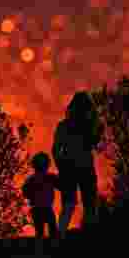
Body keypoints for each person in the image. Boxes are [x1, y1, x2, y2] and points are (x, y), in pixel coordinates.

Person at [52, 91, 103, 235]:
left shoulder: (65, 125)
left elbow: (56, 149)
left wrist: (61, 164)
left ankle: (59, 235)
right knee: (89, 203)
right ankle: (87, 232)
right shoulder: (87, 125)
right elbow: (92, 143)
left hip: (71, 167)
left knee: (71, 204)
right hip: (83, 167)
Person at [22, 151, 60, 246]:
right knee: (50, 230)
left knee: (43, 231)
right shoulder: (49, 177)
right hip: (42, 208)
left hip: (39, 208)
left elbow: (25, 192)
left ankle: (42, 250)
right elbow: (61, 185)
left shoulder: (33, 179)